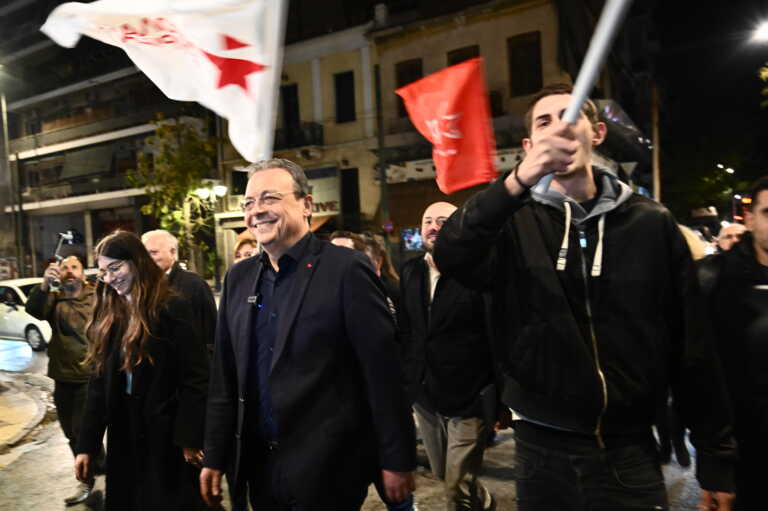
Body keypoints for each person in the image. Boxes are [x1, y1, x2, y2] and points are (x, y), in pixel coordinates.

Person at [433, 83, 737, 511]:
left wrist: (716, 457)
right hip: (541, 453)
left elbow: (691, 343)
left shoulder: (650, 224)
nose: (559, 128)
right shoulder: (513, 223)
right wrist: (517, 181)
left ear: (596, 133)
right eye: (545, 121)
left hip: (628, 451)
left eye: (571, 117)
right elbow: (451, 251)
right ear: (529, 144)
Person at [200, 158, 416, 511]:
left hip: (328, 467)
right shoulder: (237, 279)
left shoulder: (346, 270)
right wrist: (215, 453)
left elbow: (383, 372)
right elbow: (226, 378)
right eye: (249, 203)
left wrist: (396, 458)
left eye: (269, 198)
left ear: (306, 204)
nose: (257, 211)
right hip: (259, 467)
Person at [74, 231, 210, 510]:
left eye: (115, 267)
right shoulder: (109, 312)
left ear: (137, 262)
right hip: (124, 433)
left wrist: (189, 438)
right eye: (103, 272)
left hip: (167, 438)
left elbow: (195, 378)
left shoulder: (172, 307)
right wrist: (87, 445)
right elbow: (99, 384)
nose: (110, 278)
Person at [400, 201, 497, 511]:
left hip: (468, 396)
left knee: (455, 484)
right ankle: (483, 500)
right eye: (427, 220)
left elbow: (495, 334)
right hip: (425, 394)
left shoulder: (479, 273)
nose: (433, 226)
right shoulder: (411, 271)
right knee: (444, 473)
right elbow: (407, 330)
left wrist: (500, 399)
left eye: (443, 220)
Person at [697, 177, 768, 509]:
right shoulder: (715, 282)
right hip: (745, 462)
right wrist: (716, 468)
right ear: (750, 219)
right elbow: (704, 380)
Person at [26, 253, 105, 506]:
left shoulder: (96, 296)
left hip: (89, 375)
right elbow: (34, 311)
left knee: (84, 431)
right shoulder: (54, 297)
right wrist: (44, 285)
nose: (69, 271)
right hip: (62, 376)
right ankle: (94, 474)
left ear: (83, 271)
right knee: (71, 432)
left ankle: (93, 480)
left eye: (74, 267)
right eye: (64, 268)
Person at [141, 229, 217, 353]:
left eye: (153, 252)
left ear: (173, 252)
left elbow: (211, 331)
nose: (147, 259)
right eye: (144, 253)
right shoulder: (140, 286)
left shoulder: (194, 284)